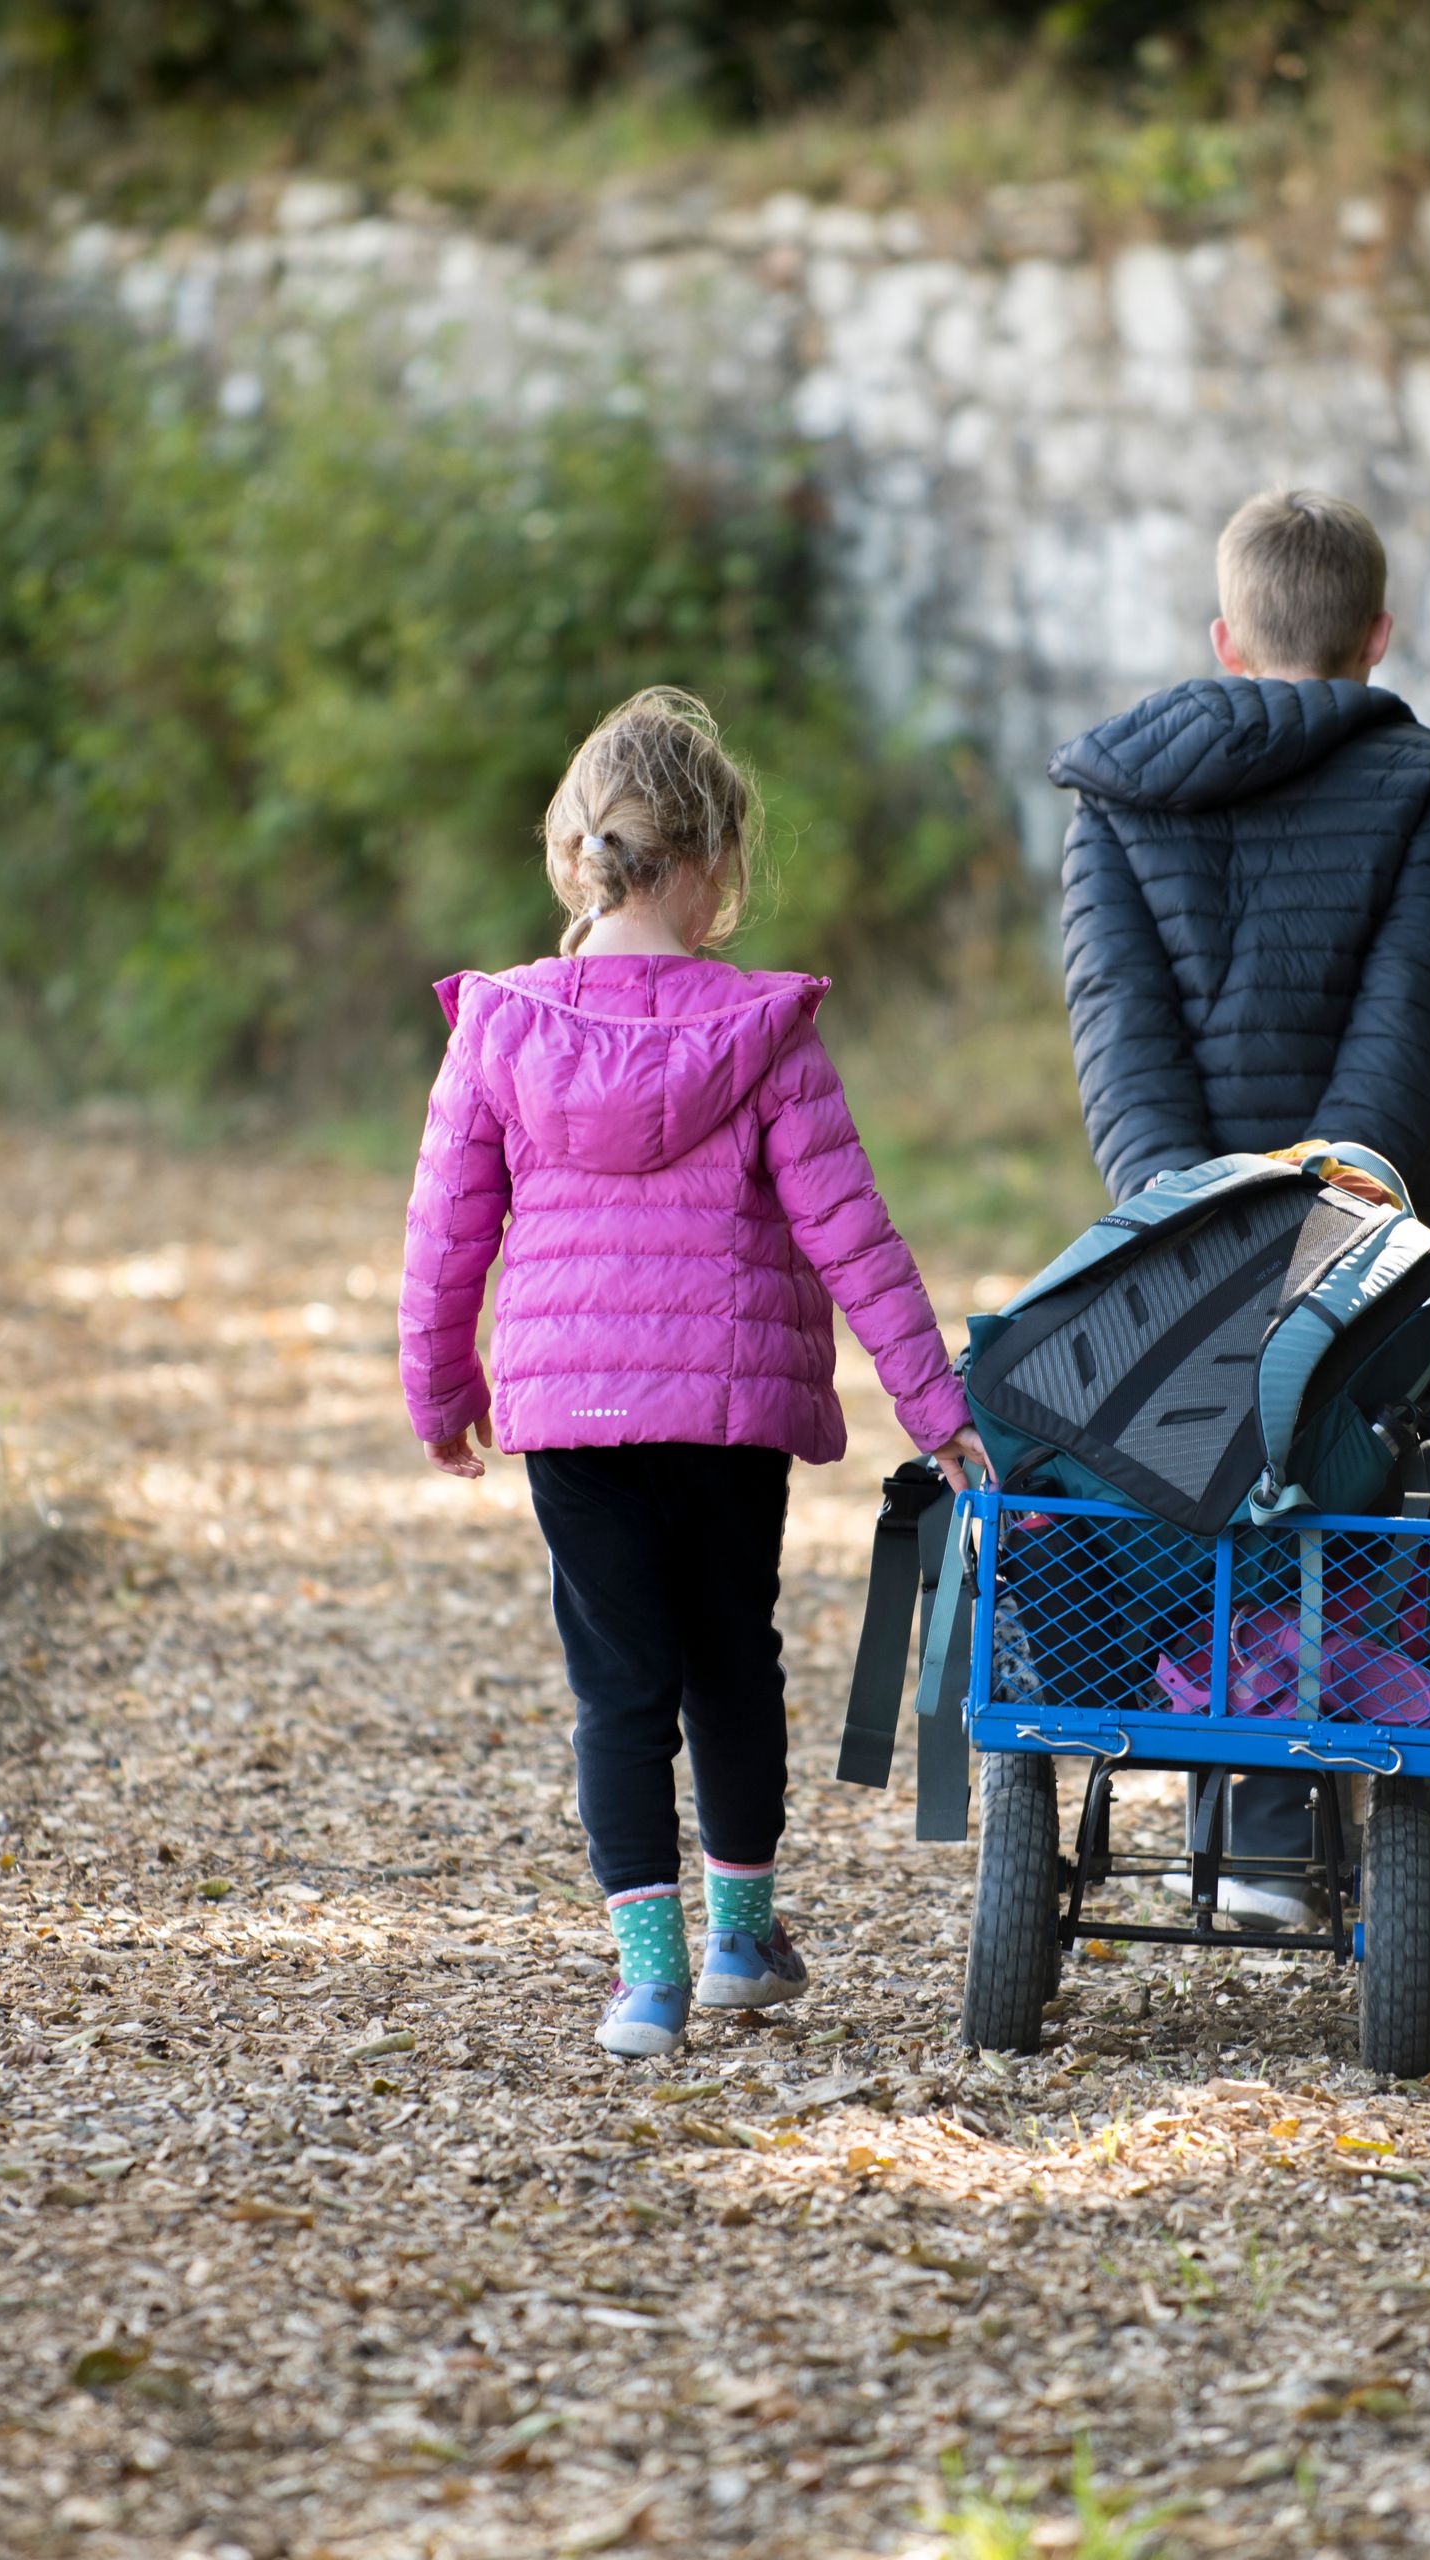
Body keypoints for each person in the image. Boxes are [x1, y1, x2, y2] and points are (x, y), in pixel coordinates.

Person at [401, 686, 989, 2060]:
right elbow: (856, 1236)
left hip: (574, 1414)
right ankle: (742, 1942)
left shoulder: (500, 1030)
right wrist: (939, 1407)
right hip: (726, 1415)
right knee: (731, 1662)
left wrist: (443, 1395)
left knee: (618, 1688)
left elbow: (443, 1240)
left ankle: (646, 1982)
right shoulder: (765, 1034)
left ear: (575, 857)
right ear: (721, 861)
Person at [1052, 487, 1430, 1927]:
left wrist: (1188, 1216)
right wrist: (1342, 1206)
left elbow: (1119, 1034)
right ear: (1378, 635)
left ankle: (1221, 1771)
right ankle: (1289, 1790)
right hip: (1364, 1232)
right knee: (1368, 1473)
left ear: (1224, 641)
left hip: (1172, 1228)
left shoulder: (1116, 793)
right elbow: (1405, 1031)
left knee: (1173, 1452)